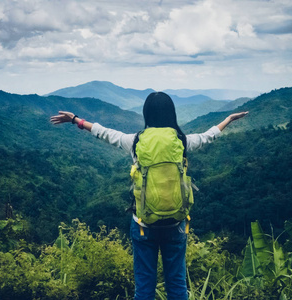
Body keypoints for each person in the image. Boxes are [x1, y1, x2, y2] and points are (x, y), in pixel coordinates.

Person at [50, 92, 248, 300]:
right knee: (178, 286)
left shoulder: (136, 141)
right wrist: (228, 119)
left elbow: (105, 133)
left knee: (144, 288)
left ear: (147, 114)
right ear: (171, 113)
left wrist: (75, 120)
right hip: (176, 224)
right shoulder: (181, 141)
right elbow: (207, 136)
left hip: (143, 225)